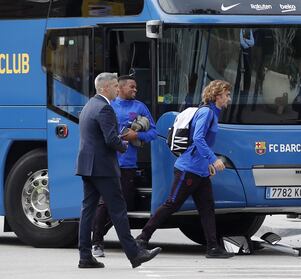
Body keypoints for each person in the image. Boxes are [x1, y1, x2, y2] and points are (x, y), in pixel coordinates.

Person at [135, 80, 234, 259]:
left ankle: (213, 247)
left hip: (200, 171)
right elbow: (198, 139)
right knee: (171, 204)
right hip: (188, 170)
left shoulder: (211, 113)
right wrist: (214, 160)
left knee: (207, 208)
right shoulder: (207, 113)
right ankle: (142, 238)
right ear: (218, 96)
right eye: (227, 95)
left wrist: (208, 165)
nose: (229, 98)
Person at [75, 72, 161, 269]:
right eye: (114, 86)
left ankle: (85, 256)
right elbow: (111, 139)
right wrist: (126, 144)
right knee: (119, 210)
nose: (117, 89)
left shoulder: (89, 105)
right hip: (104, 168)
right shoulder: (105, 108)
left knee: (87, 211)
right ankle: (135, 254)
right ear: (105, 88)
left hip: (88, 166)